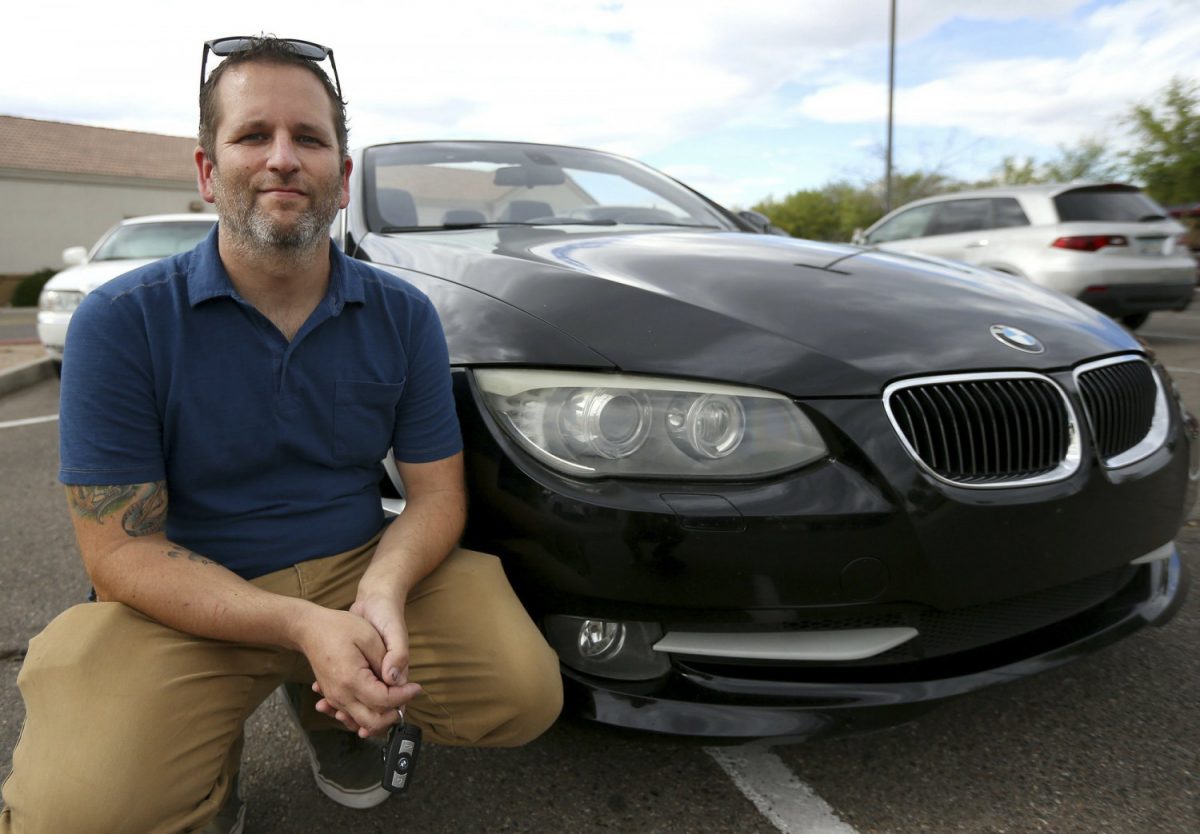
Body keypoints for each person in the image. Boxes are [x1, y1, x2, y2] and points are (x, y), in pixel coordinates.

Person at [0, 35, 562, 833]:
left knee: (521, 692)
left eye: (309, 138)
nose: (283, 158)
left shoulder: (403, 315)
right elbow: (118, 551)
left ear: (343, 177)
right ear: (206, 172)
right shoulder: (120, 323)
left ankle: (329, 713)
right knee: (77, 817)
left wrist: (381, 592)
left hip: (354, 569)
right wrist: (302, 626)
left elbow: (437, 496)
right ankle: (204, 759)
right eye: (252, 135)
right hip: (188, 597)